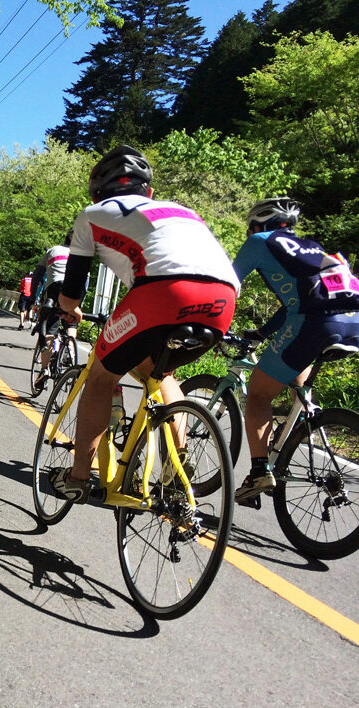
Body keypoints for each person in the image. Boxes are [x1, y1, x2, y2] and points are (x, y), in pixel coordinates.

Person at [53, 145, 240, 503]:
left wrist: (70, 310)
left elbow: (72, 289)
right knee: (162, 374)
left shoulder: (92, 214)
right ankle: (175, 472)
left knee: (101, 375)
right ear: (149, 192)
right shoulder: (186, 212)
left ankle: (77, 478)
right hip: (223, 298)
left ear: (96, 192)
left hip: (163, 293)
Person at [232, 197, 359, 506]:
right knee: (296, 385)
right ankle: (296, 429)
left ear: (258, 225)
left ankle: (259, 472)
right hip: (353, 322)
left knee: (259, 395)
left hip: (313, 324)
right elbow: (298, 302)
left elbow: (226, 283)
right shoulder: (313, 248)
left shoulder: (259, 241)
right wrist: (262, 333)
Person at [31, 233, 77, 384]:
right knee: (72, 322)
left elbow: (38, 274)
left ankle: (44, 369)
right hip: (74, 290)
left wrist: (32, 296)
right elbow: (85, 281)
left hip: (54, 289)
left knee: (49, 328)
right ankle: (70, 349)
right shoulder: (81, 255)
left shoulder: (52, 250)